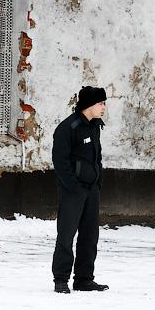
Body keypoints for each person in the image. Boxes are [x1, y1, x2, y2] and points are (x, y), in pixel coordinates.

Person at [51, 85, 109, 294]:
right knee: (66, 235)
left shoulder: (95, 126)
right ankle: (61, 279)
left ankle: (84, 279)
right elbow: (60, 162)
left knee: (90, 236)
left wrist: (98, 180)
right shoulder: (68, 127)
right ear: (89, 105)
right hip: (73, 191)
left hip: (91, 189)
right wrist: (73, 187)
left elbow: (96, 157)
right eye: (100, 103)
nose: (103, 107)